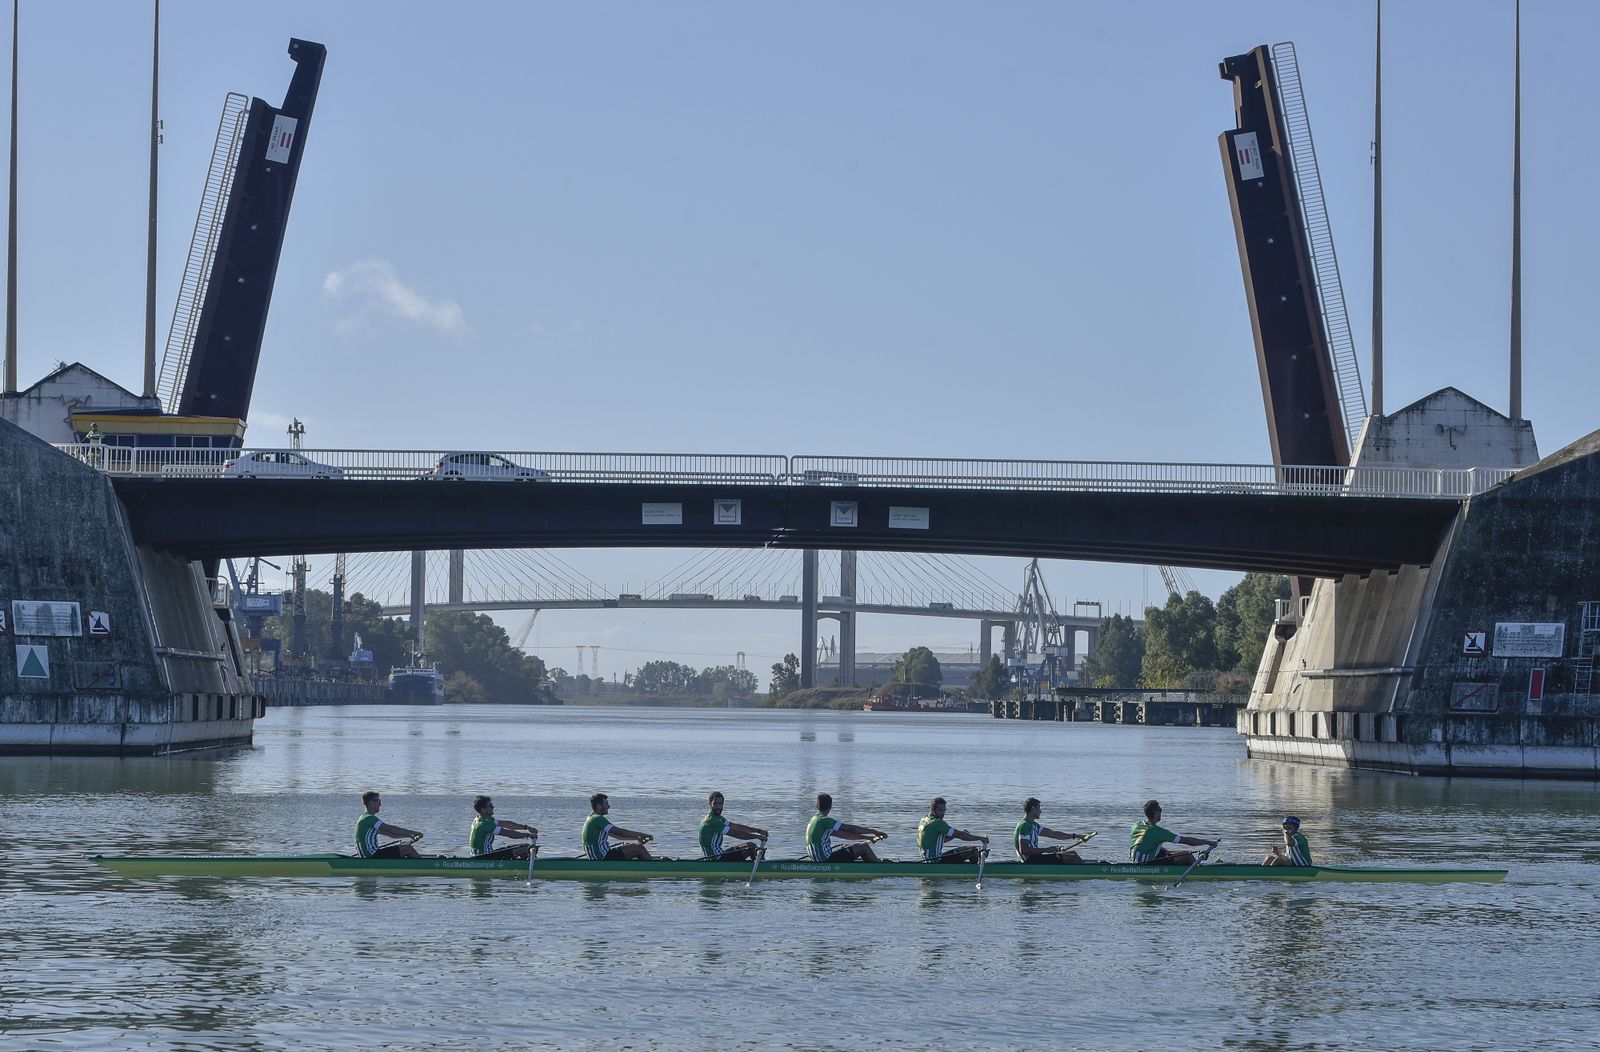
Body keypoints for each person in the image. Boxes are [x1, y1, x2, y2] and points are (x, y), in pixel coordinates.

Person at [1130, 799, 1218, 866]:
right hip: (1146, 863)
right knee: (1187, 855)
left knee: (1166, 852)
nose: (1161, 812)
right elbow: (1187, 841)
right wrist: (1208, 842)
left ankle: (1184, 866)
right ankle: (1198, 873)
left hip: (1135, 860)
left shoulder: (1136, 825)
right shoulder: (1158, 831)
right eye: (1160, 809)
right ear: (1156, 813)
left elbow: (1142, 842)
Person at [806, 793, 887, 862]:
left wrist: (867, 838)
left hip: (816, 858)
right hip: (825, 859)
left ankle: (872, 864)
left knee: (846, 846)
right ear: (830, 806)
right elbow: (851, 829)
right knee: (864, 847)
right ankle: (881, 867)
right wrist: (875, 832)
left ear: (817, 806)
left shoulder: (814, 820)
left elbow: (845, 835)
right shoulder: (825, 820)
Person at [1013, 797, 1089, 864]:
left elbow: (1054, 834)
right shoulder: (1025, 825)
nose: (1040, 811)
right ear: (1033, 809)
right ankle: (1088, 873)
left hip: (1035, 858)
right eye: (1039, 808)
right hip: (1030, 860)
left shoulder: (1034, 825)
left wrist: (1077, 836)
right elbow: (1024, 850)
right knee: (1072, 857)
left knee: (1072, 854)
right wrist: (1047, 849)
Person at [699, 791, 768, 861]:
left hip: (719, 854)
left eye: (720, 803)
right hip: (715, 859)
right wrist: (757, 836)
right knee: (752, 848)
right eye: (715, 803)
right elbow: (737, 834)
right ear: (710, 804)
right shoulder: (712, 821)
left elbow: (736, 827)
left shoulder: (718, 818)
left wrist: (759, 831)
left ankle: (755, 866)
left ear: (723, 804)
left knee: (750, 845)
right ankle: (762, 868)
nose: (718, 807)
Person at [583, 792, 653, 861]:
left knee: (629, 846)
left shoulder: (591, 818)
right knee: (639, 848)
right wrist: (642, 834)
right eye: (606, 804)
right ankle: (654, 869)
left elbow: (618, 836)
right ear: (599, 806)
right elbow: (619, 832)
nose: (608, 806)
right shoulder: (597, 818)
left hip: (599, 856)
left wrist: (637, 838)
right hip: (603, 857)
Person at [917, 797, 988, 863]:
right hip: (936, 860)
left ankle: (970, 867)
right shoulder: (937, 823)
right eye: (940, 810)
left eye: (944, 810)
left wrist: (954, 836)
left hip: (926, 860)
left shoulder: (924, 820)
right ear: (933, 809)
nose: (943, 814)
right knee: (972, 850)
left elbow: (937, 840)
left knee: (970, 851)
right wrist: (980, 838)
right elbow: (961, 835)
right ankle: (975, 869)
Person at [468, 795, 538, 861]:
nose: (493, 807)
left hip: (484, 855)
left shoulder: (480, 819)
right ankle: (528, 866)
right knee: (525, 848)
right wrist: (528, 835)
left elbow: (507, 824)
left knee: (522, 847)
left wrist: (526, 827)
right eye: (490, 806)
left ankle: (522, 865)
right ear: (483, 810)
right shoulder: (485, 824)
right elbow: (509, 833)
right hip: (483, 857)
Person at [355, 790, 423, 859]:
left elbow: (392, 834)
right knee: (407, 849)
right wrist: (414, 832)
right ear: (370, 802)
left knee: (403, 849)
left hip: (369, 855)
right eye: (378, 800)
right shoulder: (369, 818)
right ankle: (424, 867)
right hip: (372, 855)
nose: (380, 804)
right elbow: (392, 829)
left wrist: (410, 835)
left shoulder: (364, 817)